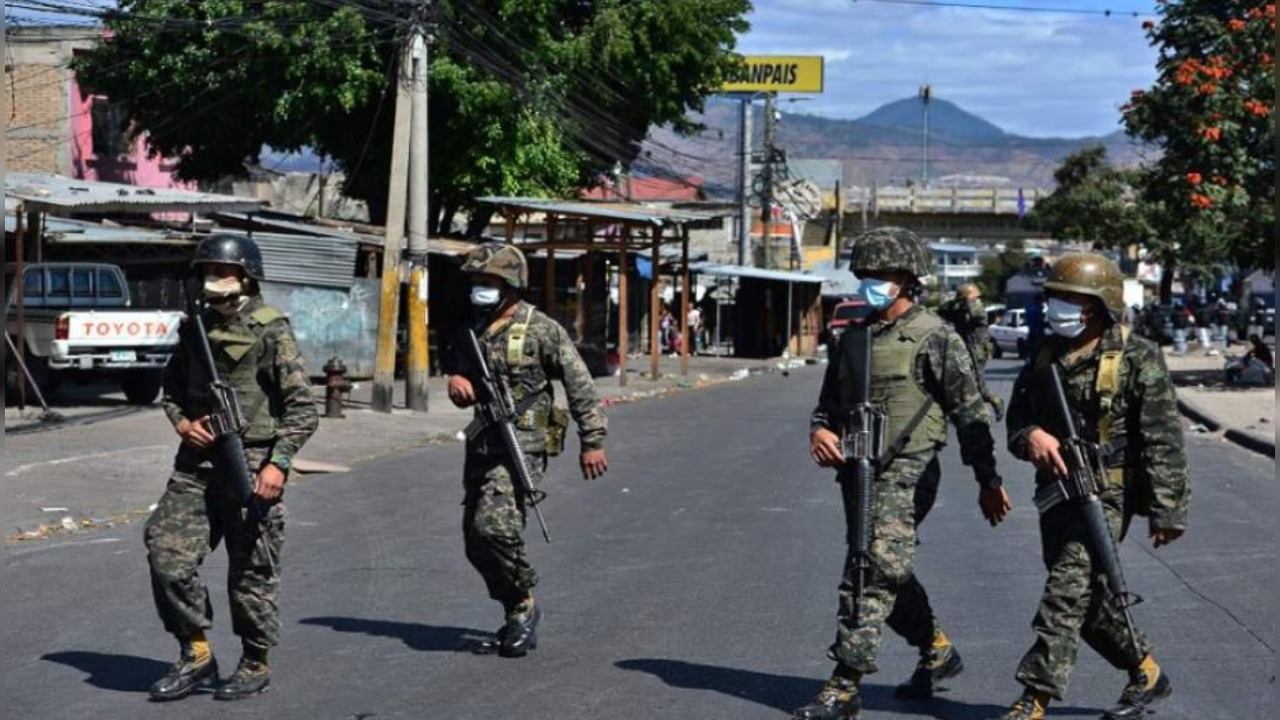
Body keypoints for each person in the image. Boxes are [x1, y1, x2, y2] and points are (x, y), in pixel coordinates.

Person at [798, 227, 1012, 719]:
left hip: (909, 471)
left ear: (907, 279)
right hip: (857, 470)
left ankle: (844, 684)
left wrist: (988, 481)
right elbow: (828, 406)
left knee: (870, 570)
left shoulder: (936, 337)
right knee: (884, 567)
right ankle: (936, 649)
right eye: (865, 275)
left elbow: (971, 416)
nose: (870, 283)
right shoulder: (854, 340)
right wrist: (819, 432)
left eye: (881, 275)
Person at [997, 252, 1191, 720]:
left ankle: (1034, 696)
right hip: (1057, 491)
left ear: (1099, 304)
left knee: (1066, 591)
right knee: (1085, 600)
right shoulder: (1045, 354)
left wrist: (1169, 510)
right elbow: (1018, 417)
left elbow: (1163, 437)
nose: (1058, 306)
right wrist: (1031, 437)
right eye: (1055, 297)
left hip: (1107, 491)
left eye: (1071, 298)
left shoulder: (1135, 357)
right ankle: (1146, 671)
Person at [146, 235, 319, 701]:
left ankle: (254, 660)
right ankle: (196, 653)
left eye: (222, 272)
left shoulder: (271, 329)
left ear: (246, 277)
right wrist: (183, 424)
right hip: (197, 467)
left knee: (251, 573)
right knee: (166, 553)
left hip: (252, 466)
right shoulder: (194, 328)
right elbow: (172, 392)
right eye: (206, 272)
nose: (213, 281)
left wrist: (278, 464)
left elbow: (304, 409)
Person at [446, 243, 609, 657]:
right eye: (477, 282)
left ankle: (523, 604)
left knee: (495, 526)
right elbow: (465, 375)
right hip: (483, 442)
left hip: (524, 442)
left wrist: (592, 440)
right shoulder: (475, 326)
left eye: (488, 282)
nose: (479, 289)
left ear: (511, 285)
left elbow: (580, 384)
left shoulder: (541, 329)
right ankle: (515, 605)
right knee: (475, 541)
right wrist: (458, 384)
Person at [938, 282, 1004, 420]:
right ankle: (967, 411)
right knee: (959, 380)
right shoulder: (959, 308)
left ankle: (996, 401)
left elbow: (971, 315)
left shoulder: (978, 309)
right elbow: (942, 311)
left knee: (979, 386)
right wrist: (955, 302)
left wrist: (966, 302)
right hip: (962, 349)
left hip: (977, 351)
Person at [1024, 293, 1046, 360]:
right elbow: (1040, 321)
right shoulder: (1038, 310)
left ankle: (1031, 361)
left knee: (1032, 350)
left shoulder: (1029, 308)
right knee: (1039, 350)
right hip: (1039, 334)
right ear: (1039, 301)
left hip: (1031, 333)